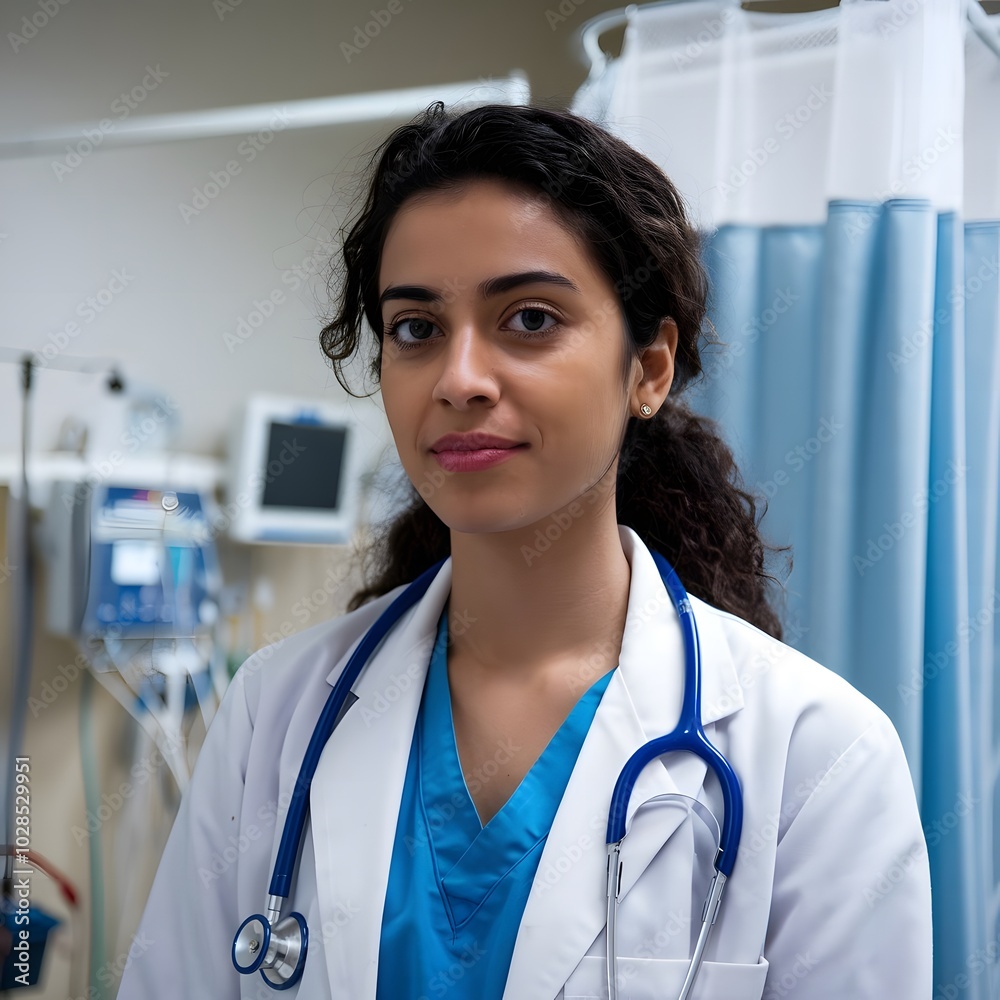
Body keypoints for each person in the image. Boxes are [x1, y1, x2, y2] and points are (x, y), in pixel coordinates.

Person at [118, 101, 932, 999]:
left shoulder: (819, 756)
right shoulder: (275, 717)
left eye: (531, 319)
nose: (461, 379)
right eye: (417, 330)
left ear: (649, 369)